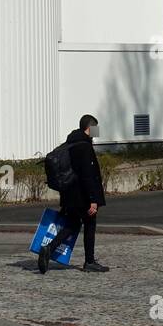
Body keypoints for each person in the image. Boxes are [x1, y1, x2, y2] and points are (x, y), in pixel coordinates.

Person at [38, 114, 108, 273]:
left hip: (69, 194)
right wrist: (93, 199)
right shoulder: (84, 146)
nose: (97, 133)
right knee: (90, 224)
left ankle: (49, 248)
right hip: (82, 196)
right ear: (89, 128)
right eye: (96, 129)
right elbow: (87, 175)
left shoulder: (71, 143)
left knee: (73, 224)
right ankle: (89, 261)